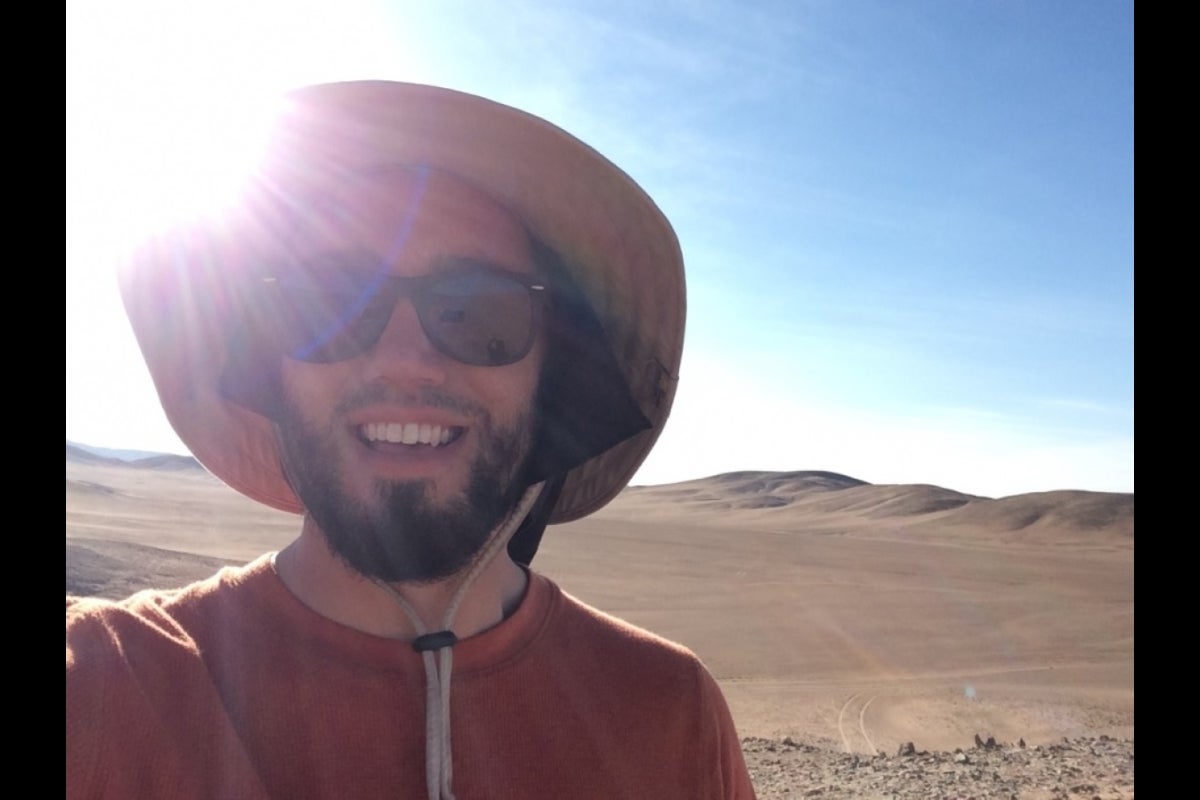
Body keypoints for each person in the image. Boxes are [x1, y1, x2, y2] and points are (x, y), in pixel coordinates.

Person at [66, 81, 756, 800]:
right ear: (266, 361)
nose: (404, 359)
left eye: (477, 311)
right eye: (328, 301)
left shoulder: (671, 714)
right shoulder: (101, 690)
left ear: (556, 374)